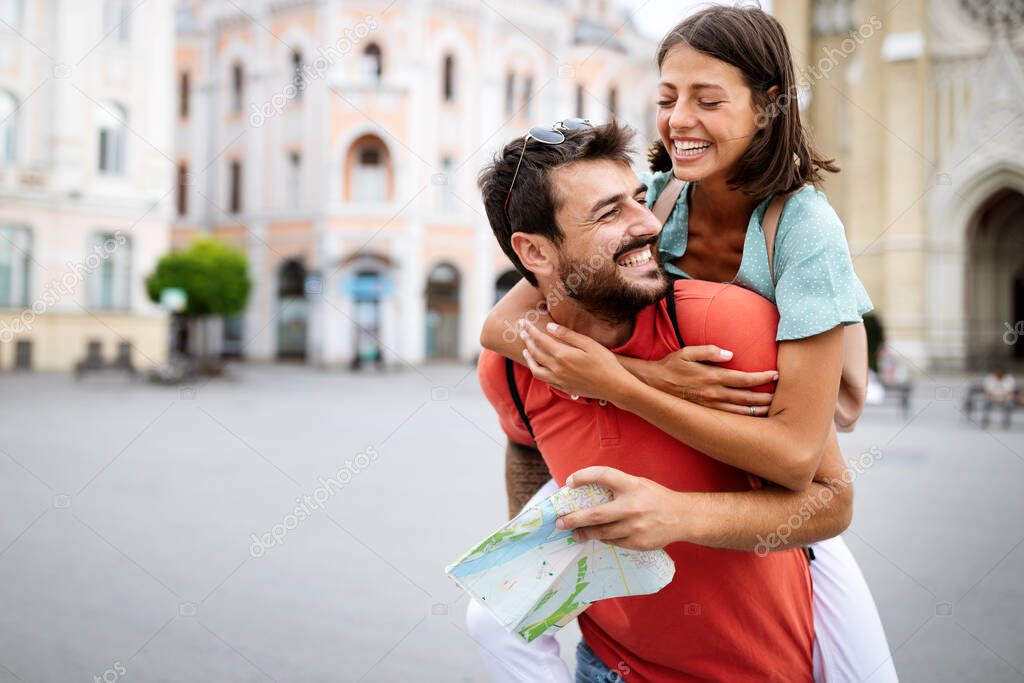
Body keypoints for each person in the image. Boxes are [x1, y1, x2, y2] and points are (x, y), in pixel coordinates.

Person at [476, 6, 896, 682]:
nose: (679, 120)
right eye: (668, 98)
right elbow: (500, 326)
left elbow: (798, 461)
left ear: (767, 106)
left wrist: (622, 385)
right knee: (488, 615)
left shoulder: (803, 232)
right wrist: (651, 376)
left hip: (799, 413)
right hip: (708, 404)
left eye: (708, 99)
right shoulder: (665, 199)